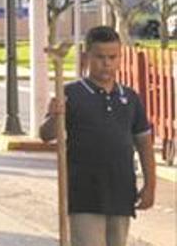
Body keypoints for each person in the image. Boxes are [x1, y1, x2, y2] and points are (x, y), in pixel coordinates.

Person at [39, 26, 156, 246]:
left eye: (113, 57)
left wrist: (150, 185)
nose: (107, 63)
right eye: (100, 57)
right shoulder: (71, 93)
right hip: (84, 193)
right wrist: (55, 116)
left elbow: (144, 142)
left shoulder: (130, 98)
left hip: (121, 192)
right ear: (86, 58)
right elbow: (46, 135)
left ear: (120, 57)